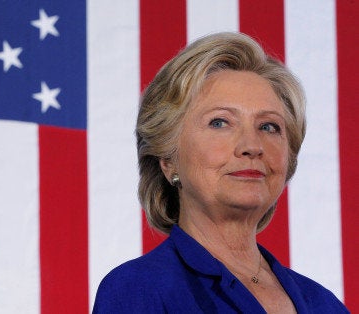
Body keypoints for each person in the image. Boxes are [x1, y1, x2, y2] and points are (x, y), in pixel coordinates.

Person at [93, 32, 349, 313]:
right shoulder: (139, 289)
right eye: (220, 122)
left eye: (268, 127)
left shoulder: (325, 304)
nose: (252, 146)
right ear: (168, 159)